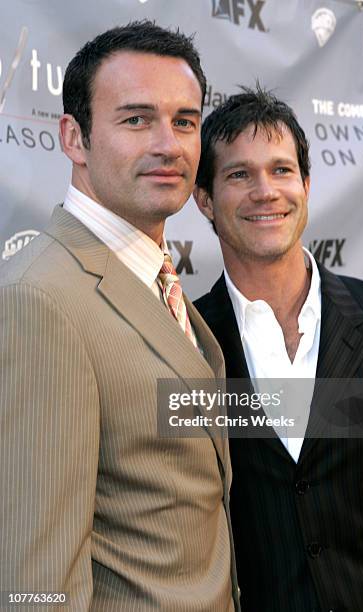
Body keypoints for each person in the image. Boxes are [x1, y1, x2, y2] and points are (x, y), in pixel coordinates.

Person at [0, 22, 240, 611]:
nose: (169, 143)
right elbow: (37, 584)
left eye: (185, 121)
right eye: (136, 119)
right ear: (73, 138)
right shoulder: (41, 299)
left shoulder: (152, 274)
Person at [193, 86, 363, 611]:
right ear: (204, 200)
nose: (265, 191)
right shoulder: (185, 339)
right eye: (239, 174)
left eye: (282, 170)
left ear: (307, 186)